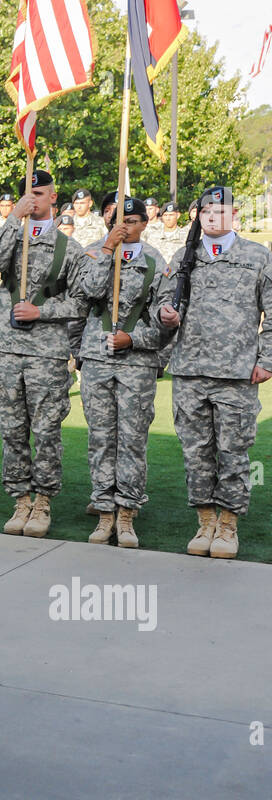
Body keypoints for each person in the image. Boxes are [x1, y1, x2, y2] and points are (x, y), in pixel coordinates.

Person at [156, 184, 272, 559]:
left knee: (234, 453)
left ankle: (228, 526)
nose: (213, 217)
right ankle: (205, 520)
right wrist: (165, 313)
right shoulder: (184, 256)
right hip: (190, 371)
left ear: (234, 215)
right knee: (195, 451)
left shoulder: (257, 256)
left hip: (237, 374)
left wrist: (267, 359)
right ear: (199, 216)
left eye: (221, 212)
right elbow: (165, 300)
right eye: (207, 212)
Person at [0, 168, 88, 537]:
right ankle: (20, 498)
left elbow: (81, 302)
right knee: (11, 429)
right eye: (28, 193)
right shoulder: (12, 237)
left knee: (45, 431)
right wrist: (12, 218)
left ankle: (42, 501)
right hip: (9, 348)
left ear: (54, 198)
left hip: (47, 352)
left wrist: (43, 311)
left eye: (40, 194)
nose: (33, 199)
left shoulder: (68, 248)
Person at [77, 197, 173, 547]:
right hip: (98, 360)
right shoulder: (94, 253)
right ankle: (104, 512)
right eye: (119, 219)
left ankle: (127, 513)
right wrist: (107, 249)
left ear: (145, 224)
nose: (125, 225)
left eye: (132, 220)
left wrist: (133, 338)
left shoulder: (155, 262)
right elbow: (88, 292)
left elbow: (166, 324)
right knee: (101, 438)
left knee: (132, 440)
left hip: (136, 362)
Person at [151, 200, 185, 265]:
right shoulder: (153, 236)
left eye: (171, 215)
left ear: (178, 215)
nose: (168, 218)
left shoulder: (185, 236)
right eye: (165, 215)